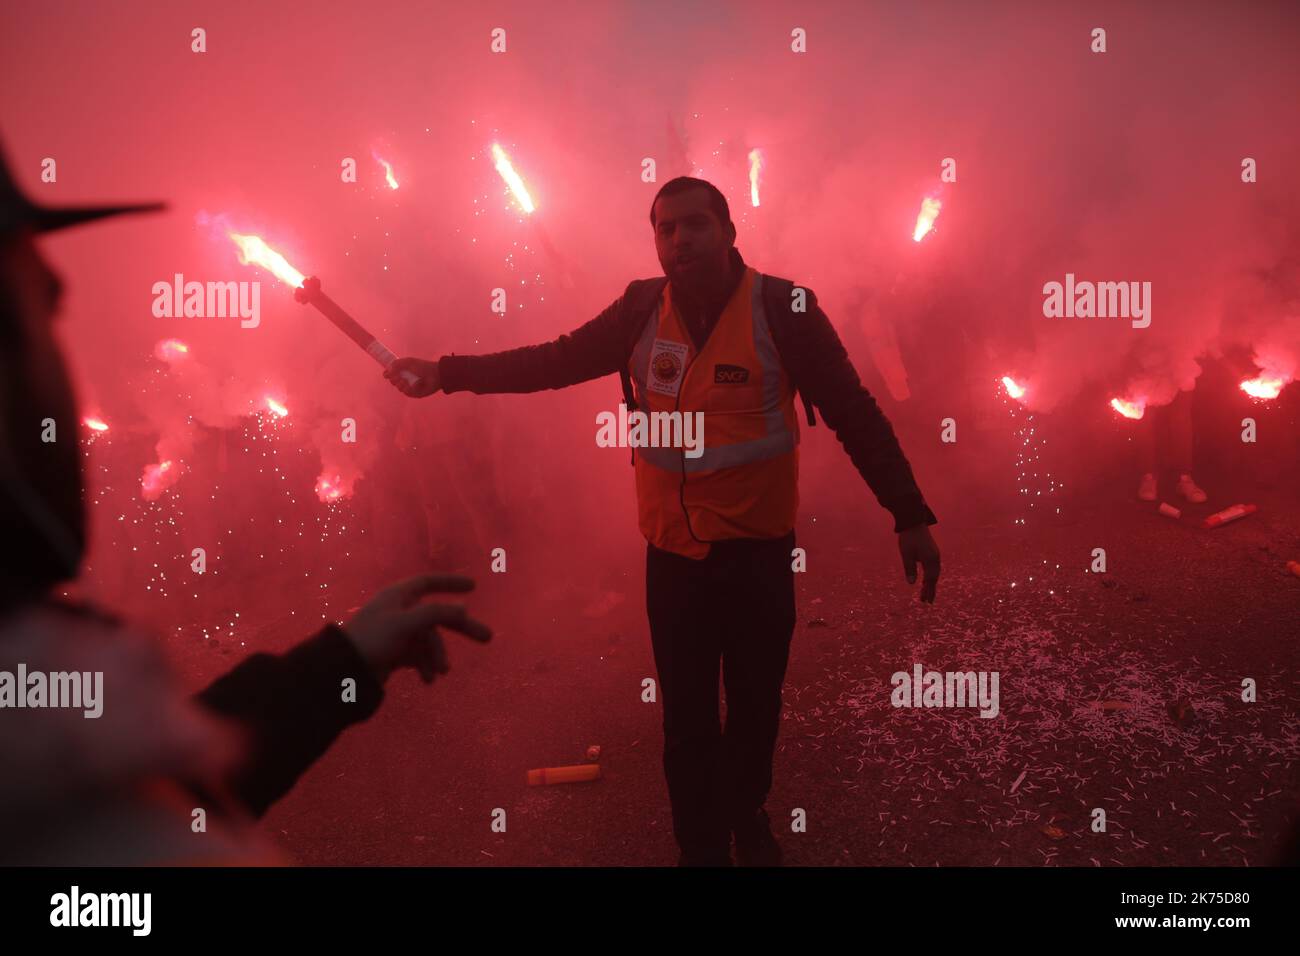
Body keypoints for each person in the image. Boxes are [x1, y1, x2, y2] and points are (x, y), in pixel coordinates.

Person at [386, 176, 940, 866]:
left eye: (696, 225)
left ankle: (747, 814)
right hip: (673, 560)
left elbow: (855, 411)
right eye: (666, 229)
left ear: (730, 232)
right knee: (685, 725)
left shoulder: (784, 307)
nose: (680, 240)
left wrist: (908, 513)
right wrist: (446, 373)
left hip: (759, 557)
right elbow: (553, 361)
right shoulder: (639, 310)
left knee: (755, 708)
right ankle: (699, 849)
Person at [0, 140, 492, 864]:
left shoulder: (53, 749)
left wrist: (342, 664)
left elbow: (173, 784)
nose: (55, 356)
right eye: (41, 308)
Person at [1135, 388, 1207, 504]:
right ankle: (1148, 476)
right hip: (1147, 371)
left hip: (1179, 371)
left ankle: (1184, 478)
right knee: (1144, 414)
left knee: (1181, 417)